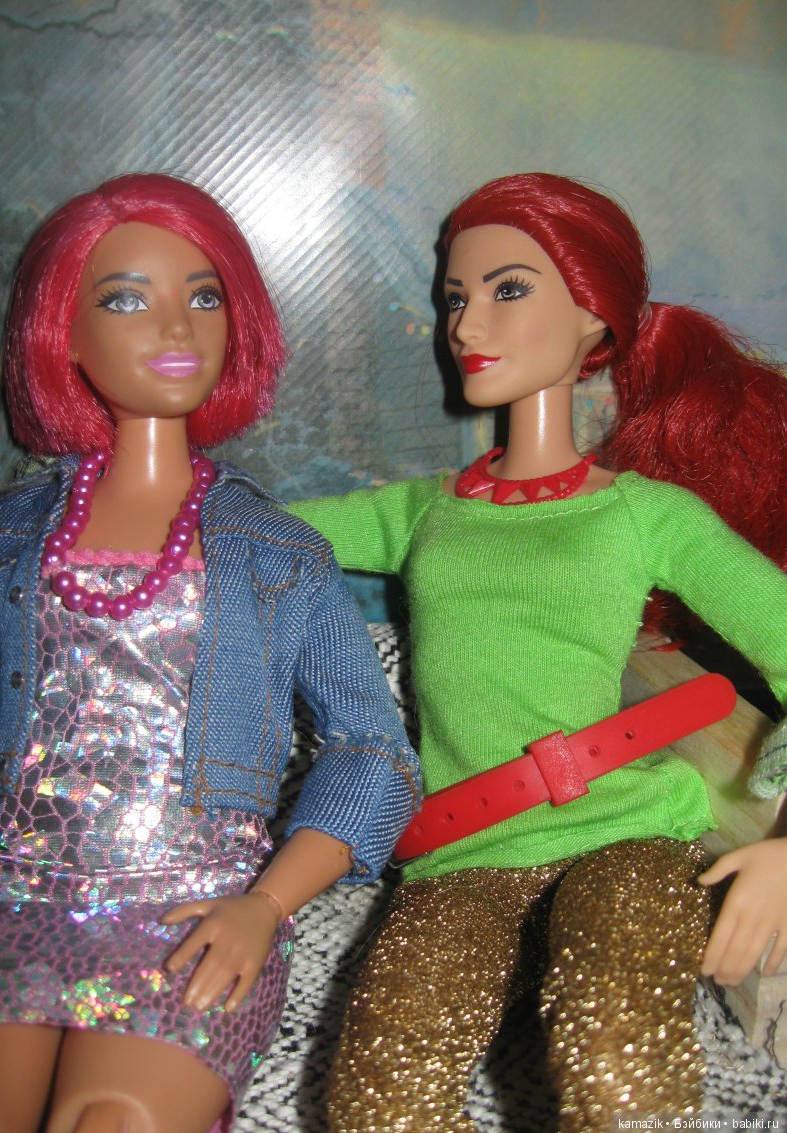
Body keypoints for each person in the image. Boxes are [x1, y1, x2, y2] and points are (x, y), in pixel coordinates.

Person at [287, 172, 787, 1131]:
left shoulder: (643, 514)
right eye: (455, 298)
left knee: (619, 1064)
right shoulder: (422, 512)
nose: (466, 325)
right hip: (459, 853)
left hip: (624, 837)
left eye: (507, 289)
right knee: (380, 1099)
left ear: (594, 316)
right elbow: (255, 529)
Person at [0, 172, 420, 1133]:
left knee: (112, 1120)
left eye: (204, 297)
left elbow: (372, 752)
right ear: (65, 336)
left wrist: (265, 906)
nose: (176, 326)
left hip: (195, 912)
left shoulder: (277, 553)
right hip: (6, 896)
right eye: (127, 299)